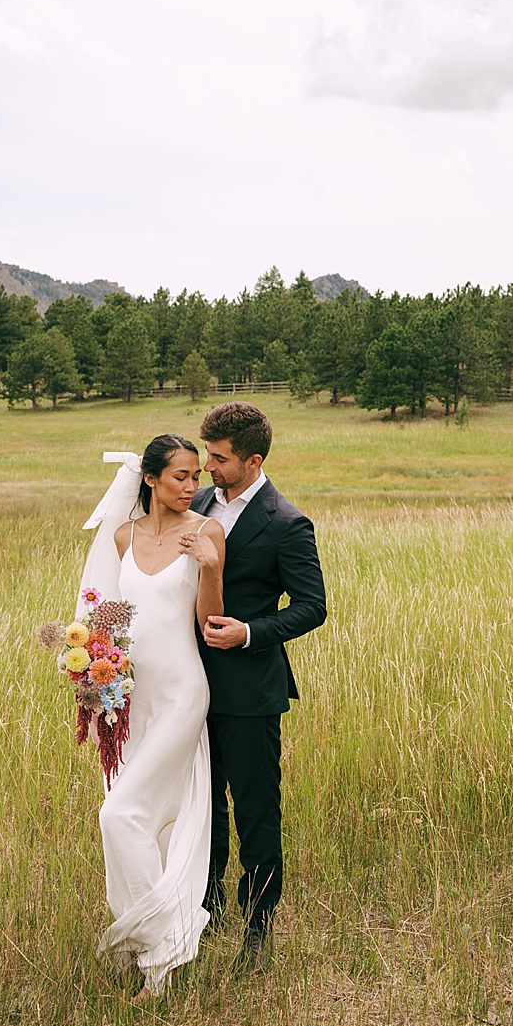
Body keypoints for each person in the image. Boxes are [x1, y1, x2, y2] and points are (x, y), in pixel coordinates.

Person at [189, 401, 327, 973]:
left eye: (219, 459)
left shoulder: (286, 522)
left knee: (255, 812)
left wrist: (249, 632)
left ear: (254, 460)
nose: (207, 468)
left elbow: (313, 607)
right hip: (190, 687)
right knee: (202, 808)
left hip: (250, 691)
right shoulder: (198, 502)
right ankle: (207, 909)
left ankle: (258, 926)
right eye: (206, 456)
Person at [87, 435, 223, 998]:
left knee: (119, 815)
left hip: (181, 693)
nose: (192, 486)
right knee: (148, 822)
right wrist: (96, 677)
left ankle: (162, 946)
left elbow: (210, 622)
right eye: (181, 477)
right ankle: (150, 947)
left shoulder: (205, 532)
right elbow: (111, 616)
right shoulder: (124, 536)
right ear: (150, 480)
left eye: (196, 476)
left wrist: (211, 569)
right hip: (131, 696)